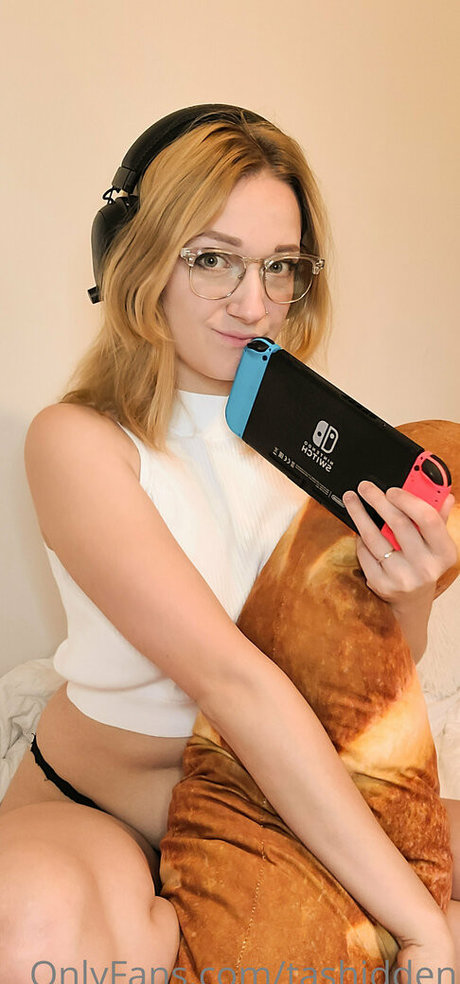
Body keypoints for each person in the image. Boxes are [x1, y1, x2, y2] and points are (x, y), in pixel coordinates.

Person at [0, 104, 458, 981]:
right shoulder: (77, 441)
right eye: (212, 259)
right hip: (107, 810)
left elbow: (354, 680)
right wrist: (420, 924)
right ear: (137, 258)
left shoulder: (311, 445)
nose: (254, 304)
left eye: (279, 266)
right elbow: (234, 682)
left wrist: (406, 599)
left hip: (284, 803)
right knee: (34, 920)